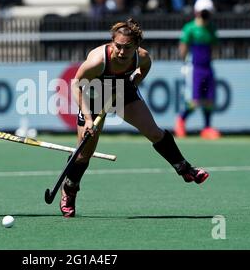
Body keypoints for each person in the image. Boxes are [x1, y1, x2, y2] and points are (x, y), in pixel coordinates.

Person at [60, 18, 209, 218]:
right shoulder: (98, 61)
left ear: (136, 46)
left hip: (122, 93)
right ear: (112, 43)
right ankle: (69, 190)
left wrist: (133, 83)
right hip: (93, 97)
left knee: (155, 132)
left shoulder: (142, 57)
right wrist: (88, 119)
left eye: (127, 47)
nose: (121, 52)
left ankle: (184, 168)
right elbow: (76, 84)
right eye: (118, 46)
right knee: (83, 154)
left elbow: (145, 67)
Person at [174, 0, 221, 140]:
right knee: (194, 100)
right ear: (197, 12)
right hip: (194, 68)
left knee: (208, 99)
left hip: (207, 67)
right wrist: (185, 63)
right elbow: (183, 48)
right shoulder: (190, 28)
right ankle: (180, 122)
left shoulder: (212, 28)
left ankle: (206, 127)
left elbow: (214, 48)